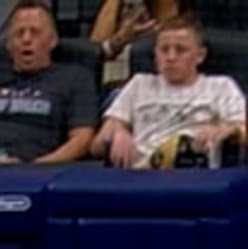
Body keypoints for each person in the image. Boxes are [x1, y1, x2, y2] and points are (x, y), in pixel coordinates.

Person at [0, 1, 102, 161]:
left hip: (41, 173)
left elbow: (82, 138)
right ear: (8, 43)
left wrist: (37, 167)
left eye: (35, 32)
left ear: (53, 40)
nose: (26, 39)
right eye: (19, 33)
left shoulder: (75, 78)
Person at [101, 17, 244, 162]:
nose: (171, 57)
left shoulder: (220, 87)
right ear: (155, 55)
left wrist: (230, 130)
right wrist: (118, 132)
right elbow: (97, 145)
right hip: (141, 172)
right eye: (164, 50)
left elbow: (243, 128)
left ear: (200, 55)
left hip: (195, 173)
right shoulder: (139, 84)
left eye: (180, 50)